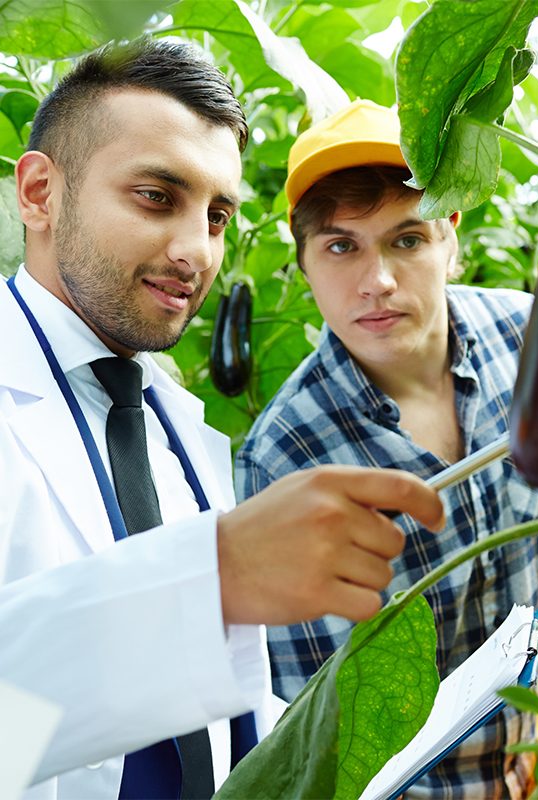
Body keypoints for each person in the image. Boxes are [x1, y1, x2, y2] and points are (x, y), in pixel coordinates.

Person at [0, 43, 445, 800]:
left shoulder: (171, 422)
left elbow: (210, 718)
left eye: (216, 214)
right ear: (40, 194)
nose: (194, 251)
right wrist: (217, 579)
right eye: (154, 196)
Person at [236, 99, 538, 799]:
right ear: (304, 266)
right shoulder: (287, 454)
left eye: (406, 239)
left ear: (450, 238)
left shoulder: (527, 341)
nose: (376, 282)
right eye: (341, 246)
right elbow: (318, 730)